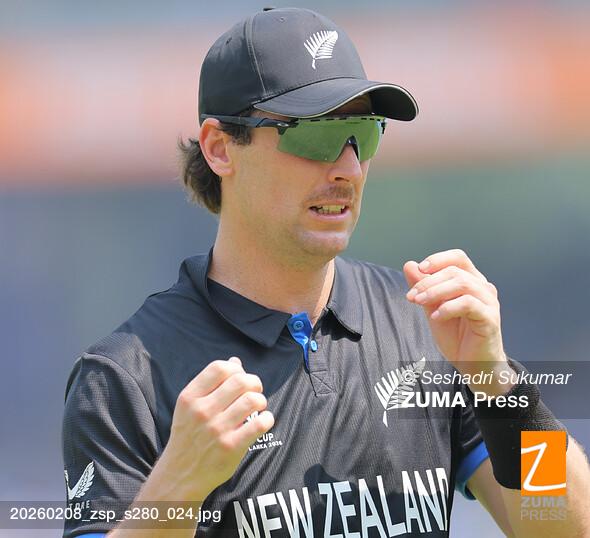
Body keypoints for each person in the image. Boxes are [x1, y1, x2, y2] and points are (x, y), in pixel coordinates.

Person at [62, 7, 590, 538]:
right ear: (220, 148)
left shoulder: (426, 327)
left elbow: (563, 529)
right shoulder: (125, 377)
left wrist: (498, 385)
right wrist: (177, 487)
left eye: (363, 133)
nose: (349, 168)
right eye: (313, 136)